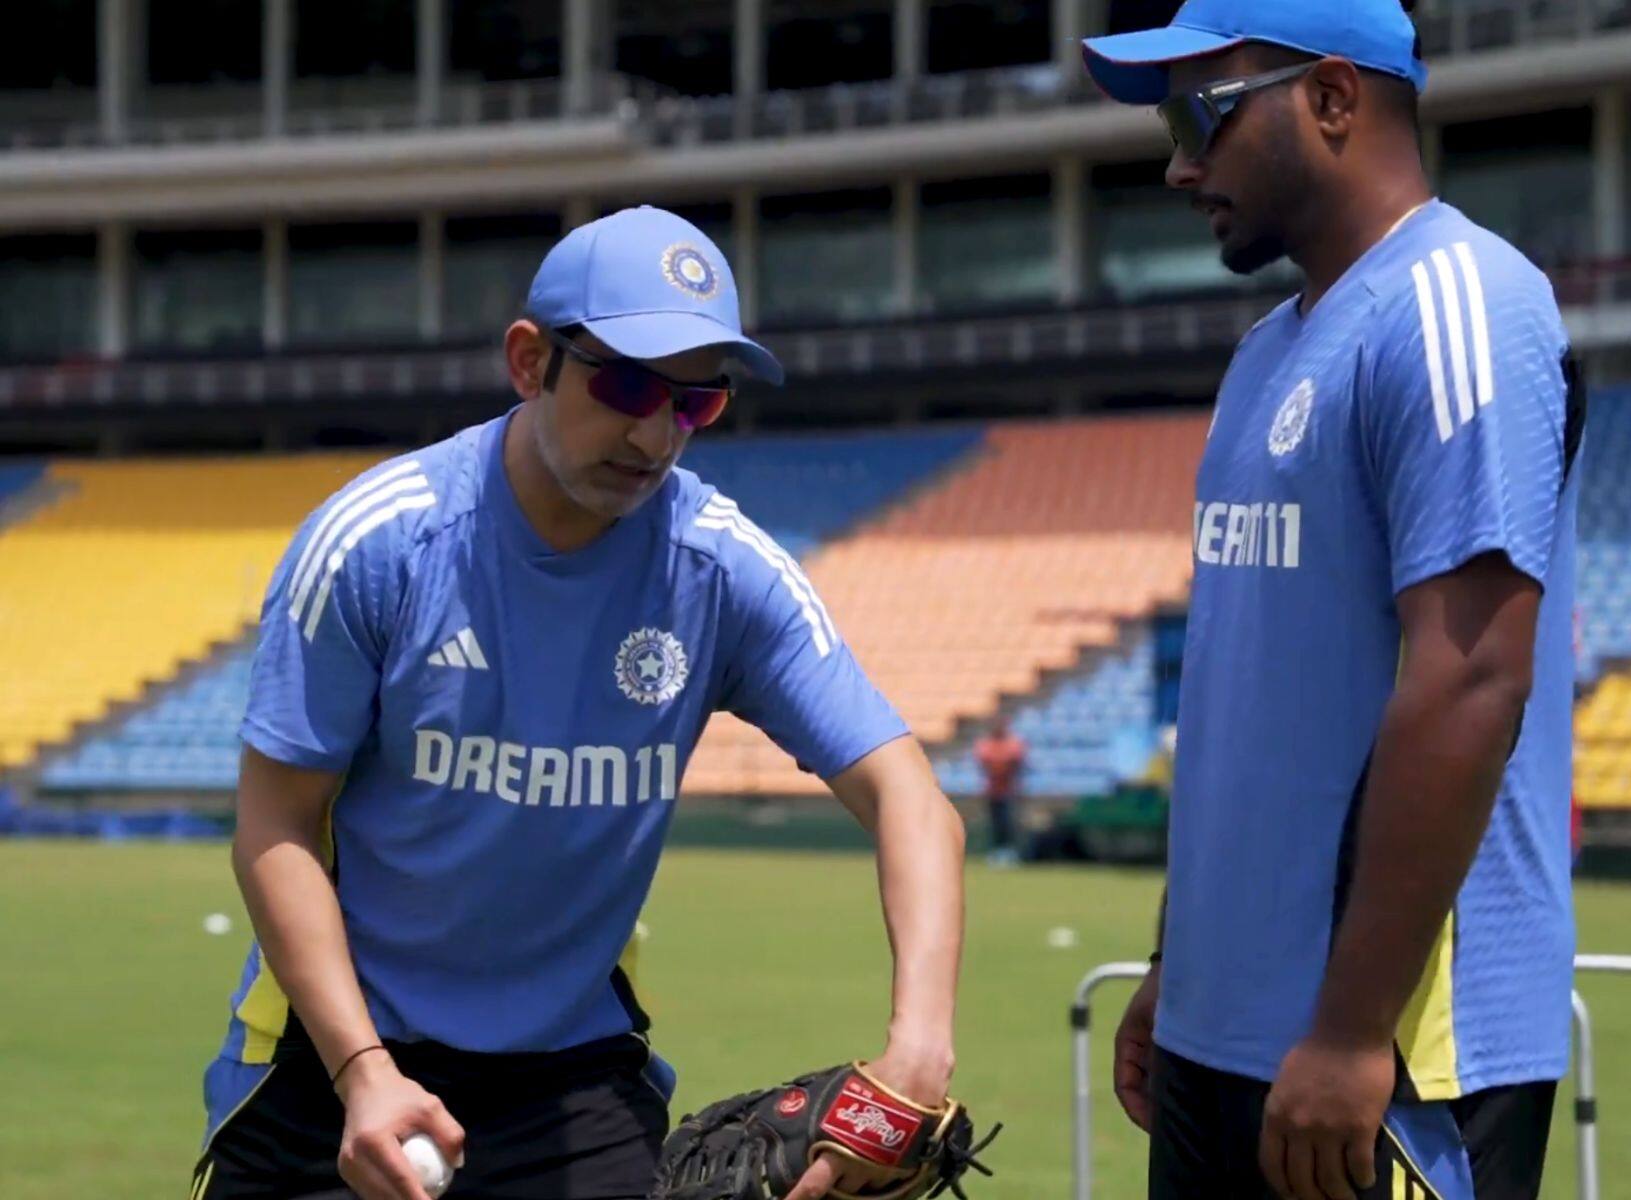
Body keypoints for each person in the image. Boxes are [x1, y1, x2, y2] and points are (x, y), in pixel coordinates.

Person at [191, 206, 966, 1200]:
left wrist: (917, 1052)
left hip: (572, 1078)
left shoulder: (720, 571)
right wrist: (364, 1071)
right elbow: (274, 824)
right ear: (529, 362)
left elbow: (911, 798)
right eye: (628, 384)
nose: (653, 433)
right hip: (334, 1060)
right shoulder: (377, 544)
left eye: (695, 403)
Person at [1081, 2, 1584, 1198]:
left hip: (1391, 1053)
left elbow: (1471, 676)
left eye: (1201, 111)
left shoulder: (1461, 301)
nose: (1177, 160)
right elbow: (1244, 700)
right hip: (1228, 1028)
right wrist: (1179, 962)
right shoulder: (1264, 355)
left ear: (1335, 99)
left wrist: (1356, 1027)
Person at [972, 717, 1028, 865]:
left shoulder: (1012, 743)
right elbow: (984, 762)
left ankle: (1010, 852)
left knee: (1008, 822)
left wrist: (1002, 769)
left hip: (1009, 789)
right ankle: (996, 851)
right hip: (992, 790)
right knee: (995, 823)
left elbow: (1015, 762)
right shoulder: (986, 743)